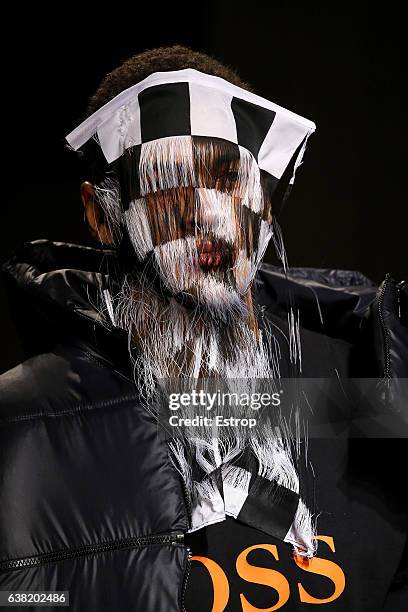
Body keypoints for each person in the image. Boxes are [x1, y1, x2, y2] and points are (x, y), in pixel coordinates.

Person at [0, 46, 407, 612]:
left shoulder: (366, 397)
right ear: (100, 213)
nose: (211, 216)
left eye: (231, 181)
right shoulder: (24, 426)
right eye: (169, 181)